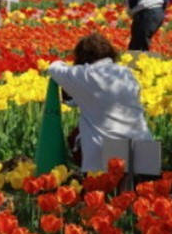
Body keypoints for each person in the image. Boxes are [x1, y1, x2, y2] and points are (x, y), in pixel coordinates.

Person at [47, 32, 152, 173]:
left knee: (75, 135)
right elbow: (104, 99)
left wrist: (66, 64)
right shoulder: (126, 73)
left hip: (106, 157)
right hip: (145, 152)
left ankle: (90, 179)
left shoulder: (84, 74)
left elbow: (53, 68)